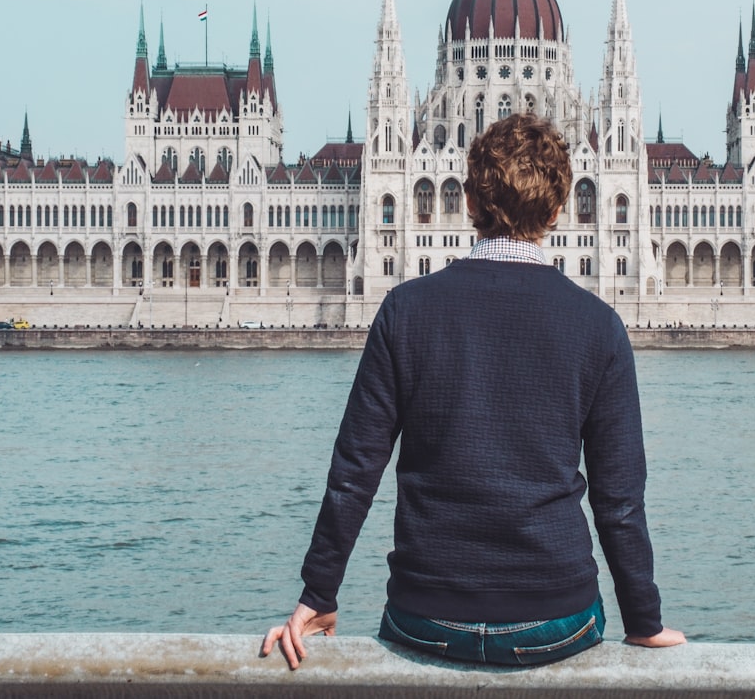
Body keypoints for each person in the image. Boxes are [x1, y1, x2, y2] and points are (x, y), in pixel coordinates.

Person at [262, 114, 683, 668]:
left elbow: (354, 470)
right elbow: (619, 499)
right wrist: (644, 621)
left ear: (470, 202)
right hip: (555, 615)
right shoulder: (598, 326)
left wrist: (318, 596)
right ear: (558, 210)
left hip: (426, 611)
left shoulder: (404, 311)